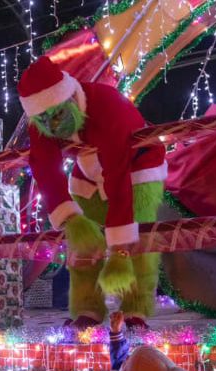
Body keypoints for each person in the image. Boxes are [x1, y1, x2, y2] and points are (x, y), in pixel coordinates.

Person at [18, 56, 167, 330]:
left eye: (59, 115)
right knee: (83, 245)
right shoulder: (43, 117)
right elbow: (45, 168)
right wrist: (70, 219)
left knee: (137, 238)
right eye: (44, 120)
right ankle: (87, 308)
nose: (53, 126)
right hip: (88, 172)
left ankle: (136, 308)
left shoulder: (107, 105)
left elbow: (118, 173)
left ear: (71, 98)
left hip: (138, 166)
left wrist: (119, 248)